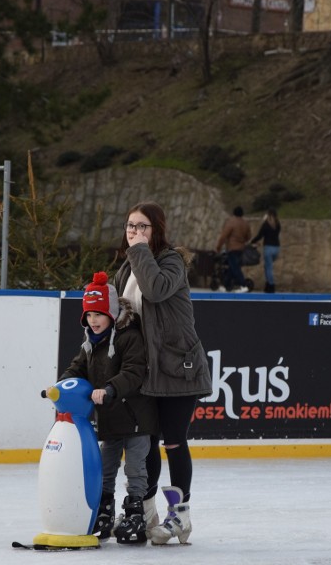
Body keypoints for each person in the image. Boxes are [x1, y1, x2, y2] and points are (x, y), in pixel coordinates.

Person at [114, 201, 212, 546]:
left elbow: (154, 289)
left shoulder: (170, 262)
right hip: (148, 373)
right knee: (147, 444)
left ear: (157, 231)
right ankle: (148, 513)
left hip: (179, 369)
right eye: (130, 226)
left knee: (173, 441)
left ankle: (180, 518)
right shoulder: (126, 269)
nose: (134, 233)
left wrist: (139, 250)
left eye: (142, 227)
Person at [58, 271, 157, 545]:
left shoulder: (129, 337)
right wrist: (62, 385)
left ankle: (135, 513)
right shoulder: (90, 343)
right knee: (106, 467)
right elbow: (77, 367)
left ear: (112, 314)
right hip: (110, 419)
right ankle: (104, 511)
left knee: (136, 468)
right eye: (89, 316)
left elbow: (134, 371)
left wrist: (110, 388)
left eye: (99, 315)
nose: (94, 321)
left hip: (136, 417)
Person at [214, 206, 252, 293]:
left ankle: (243, 285)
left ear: (234, 213)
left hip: (232, 248)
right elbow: (248, 237)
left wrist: (218, 247)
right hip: (241, 249)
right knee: (232, 267)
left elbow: (223, 236)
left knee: (235, 267)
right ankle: (225, 286)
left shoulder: (231, 223)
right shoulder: (246, 224)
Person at [250, 208, 281, 293]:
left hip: (268, 248)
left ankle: (271, 286)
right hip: (277, 248)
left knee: (269, 268)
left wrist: (252, 241)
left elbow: (260, 235)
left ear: (268, 215)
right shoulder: (278, 224)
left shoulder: (266, 224)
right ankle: (267, 285)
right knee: (267, 267)